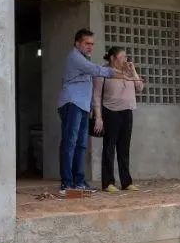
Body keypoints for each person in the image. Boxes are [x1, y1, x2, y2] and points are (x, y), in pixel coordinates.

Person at [56, 29, 132, 196]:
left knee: (81, 145)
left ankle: (79, 182)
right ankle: (67, 183)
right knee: (70, 143)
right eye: (87, 43)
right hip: (72, 103)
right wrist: (122, 74)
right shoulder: (75, 57)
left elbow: (87, 84)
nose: (90, 47)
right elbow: (97, 70)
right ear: (77, 43)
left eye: (92, 44)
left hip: (82, 105)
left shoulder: (83, 58)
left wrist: (90, 107)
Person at [92, 46, 144, 192]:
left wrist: (133, 70)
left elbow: (139, 87)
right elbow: (96, 95)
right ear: (113, 58)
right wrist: (98, 117)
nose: (125, 60)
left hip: (127, 112)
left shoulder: (128, 71)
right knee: (109, 148)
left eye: (126, 57)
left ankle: (126, 182)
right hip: (110, 112)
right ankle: (108, 183)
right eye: (122, 57)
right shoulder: (103, 72)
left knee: (124, 148)